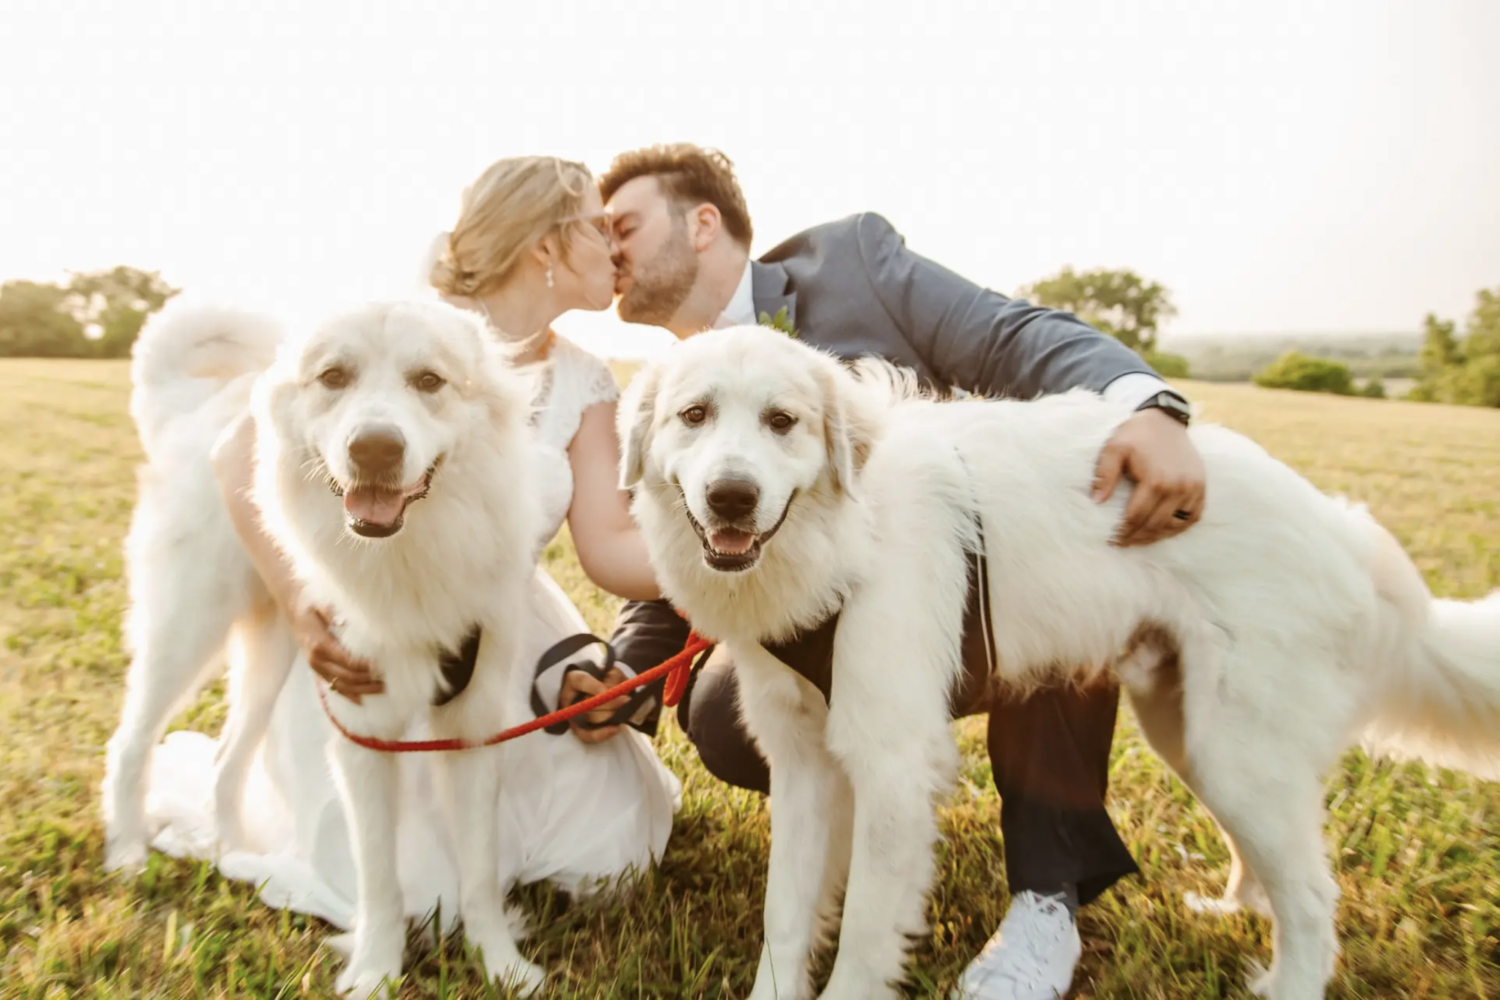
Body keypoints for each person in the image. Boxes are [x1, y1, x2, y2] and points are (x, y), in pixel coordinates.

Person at [555, 143, 1206, 1000]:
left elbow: (1014, 334)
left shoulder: (854, 261)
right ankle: (874, 824)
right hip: (822, 624)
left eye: (624, 227)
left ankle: (1047, 897)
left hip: (974, 577)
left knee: (1049, 579)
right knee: (722, 713)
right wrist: (629, 668)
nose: (611, 254)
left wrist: (1148, 408)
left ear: (702, 223)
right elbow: (687, 536)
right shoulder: (668, 385)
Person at [140, 155, 682, 933]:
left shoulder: (587, 380)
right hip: (363, 634)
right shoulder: (388, 326)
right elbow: (237, 458)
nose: (617, 249)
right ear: (547, 247)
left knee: (612, 854)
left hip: (506, 637)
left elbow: (609, 549)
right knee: (415, 898)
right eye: (600, 229)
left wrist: (731, 565)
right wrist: (300, 605)